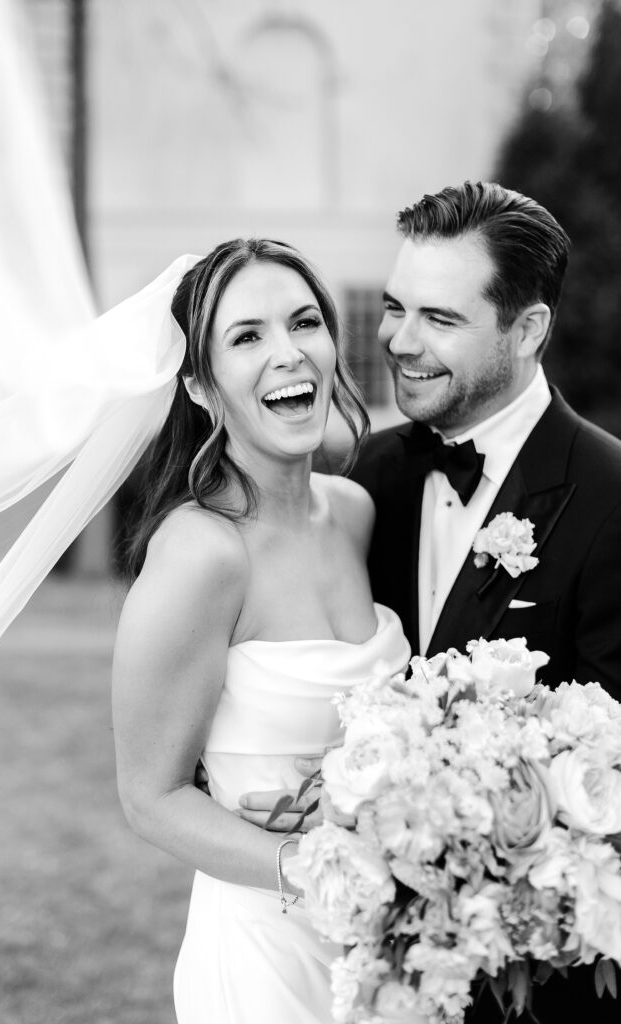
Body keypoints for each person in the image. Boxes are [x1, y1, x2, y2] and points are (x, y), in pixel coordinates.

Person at [239, 183, 621, 1021]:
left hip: (536, 990)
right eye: (393, 308)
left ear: (527, 331)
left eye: (440, 320)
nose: (398, 343)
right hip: (347, 954)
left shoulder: (607, 497)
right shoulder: (367, 477)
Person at [110, 237, 412, 1024]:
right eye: (246, 337)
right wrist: (313, 871)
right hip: (264, 953)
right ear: (202, 389)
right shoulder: (200, 555)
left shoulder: (353, 513)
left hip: (388, 947)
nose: (288, 353)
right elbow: (150, 796)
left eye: (304, 322)